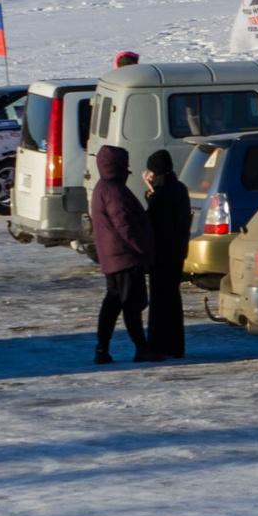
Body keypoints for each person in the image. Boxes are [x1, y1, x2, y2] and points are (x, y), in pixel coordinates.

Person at [89, 144, 151, 363]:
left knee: (113, 303)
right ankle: (141, 348)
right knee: (131, 305)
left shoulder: (102, 187)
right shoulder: (115, 190)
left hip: (111, 257)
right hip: (124, 257)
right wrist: (143, 248)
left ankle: (102, 348)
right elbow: (125, 225)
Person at [142, 149, 190, 360]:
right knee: (172, 299)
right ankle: (175, 346)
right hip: (178, 253)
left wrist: (150, 193)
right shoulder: (180, 189)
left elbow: (151, 222)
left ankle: (159, 344)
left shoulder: (160, 194)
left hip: (161, 255)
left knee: (160, 301)